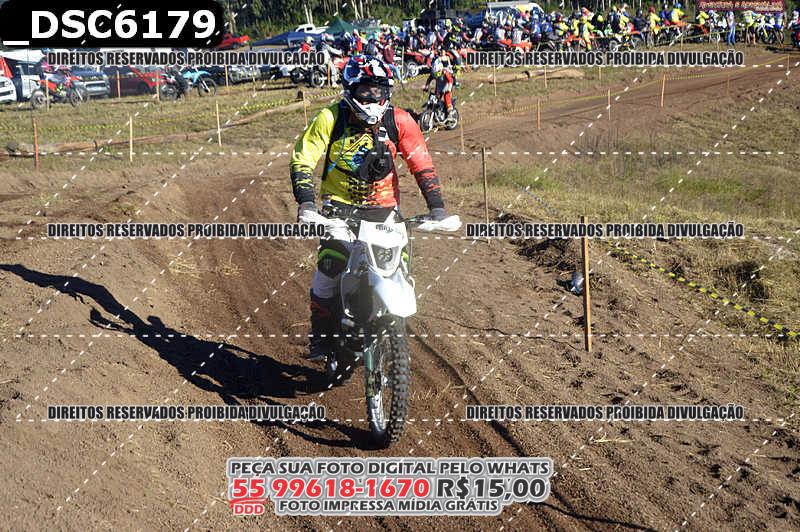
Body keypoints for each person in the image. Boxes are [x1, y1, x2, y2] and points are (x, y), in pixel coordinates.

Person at [290, 55, 448, 362]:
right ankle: (321, 336)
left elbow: (421, 163)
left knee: (398, 269)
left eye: (379, 90)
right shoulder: (330, 118)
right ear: (351, 89)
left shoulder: (400, 120)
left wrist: (437, 208)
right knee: (329, 267)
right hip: (339, 210)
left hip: (384, 211)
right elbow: (303, 158)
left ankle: (386, 328)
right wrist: (307, 202)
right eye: (365, 90)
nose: (372, 97)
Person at [424, 53, 456, 119]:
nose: (436, 74)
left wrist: (449, 87)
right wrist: (426, 86)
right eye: (435, 72)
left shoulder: (445, 72)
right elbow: (429, 79)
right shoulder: (433, 73)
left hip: (446, 86)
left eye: (438, 72)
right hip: (439, 87)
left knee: (446, 96)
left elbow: (450, 80)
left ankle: (450, 112)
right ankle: (437, 111)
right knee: (435, 98)